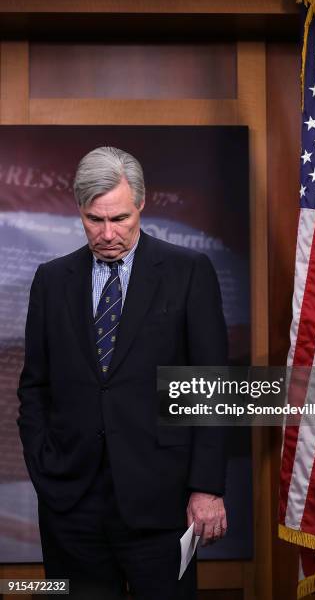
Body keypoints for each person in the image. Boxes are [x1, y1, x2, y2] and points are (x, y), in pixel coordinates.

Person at [17, 146, 228, 600]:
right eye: (95, 220)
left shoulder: (188, 271)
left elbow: (210, 387)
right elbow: (34, 388)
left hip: (163, 502)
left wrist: (206, 487)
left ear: (142, 205)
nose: (108, 233)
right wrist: (44, 468)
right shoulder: (51, 280)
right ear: (79, 210)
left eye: (120, 218)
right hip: (71, 504)